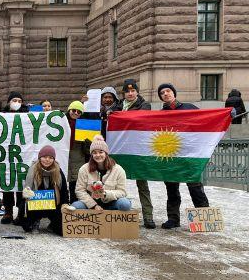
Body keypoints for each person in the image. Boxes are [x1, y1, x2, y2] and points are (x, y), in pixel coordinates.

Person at [157, 83, 209, 229]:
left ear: (174, 93)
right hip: (170, 156)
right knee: (172, 189)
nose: (165, 94)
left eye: (168, 91)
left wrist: (227, 114)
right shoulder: (159, 114)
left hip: (188, 156)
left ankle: (204, 218)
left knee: (195, 187)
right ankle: (173, 219)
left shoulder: (189, 108)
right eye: (162, 93)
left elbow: (206, 120)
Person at [112, 79, 156, 228]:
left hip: (138, 150)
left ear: (137, 92)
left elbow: (140, 117)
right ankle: (112, 212)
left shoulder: (144, 105)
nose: (130, 93)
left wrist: (118, 116)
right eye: (127, 91)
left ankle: (148, 217)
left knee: (142, 185)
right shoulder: (117, 106)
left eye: (133, 91)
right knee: (113, 182)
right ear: (123, 93)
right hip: (120, 149)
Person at [72, 135, 132, 211]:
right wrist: (94, 205)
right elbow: (80, 190)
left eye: (101, 152)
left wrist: (105, 194)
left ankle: (115, 221)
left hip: (112, 202)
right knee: (76, 205)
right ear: (91, 155)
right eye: (94, 153)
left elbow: (122, 192)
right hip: (91, 202)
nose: (98, 155)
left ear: (106, 153)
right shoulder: (84, 169)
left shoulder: (118, 170)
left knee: (124, 204)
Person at [22, 145, 69, 235]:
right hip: (35, 205)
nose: (47, 160)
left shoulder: (58, 170)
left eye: (50, 158)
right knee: (27, 227)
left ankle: (52, 225)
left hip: (54, 205)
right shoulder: (33, 170)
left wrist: (64, 203)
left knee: (62, 231)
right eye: (44, 157)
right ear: (40, 158)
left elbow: (63, 190)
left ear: (53, 159)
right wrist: (27, 193)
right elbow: (27, 188)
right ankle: (35, 221)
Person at [0, 91, 29, 225]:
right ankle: (8, 212)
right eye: (14, 100)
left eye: (19, 100)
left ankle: (20, 213)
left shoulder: (28, 116)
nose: (17, 103)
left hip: (22, 154)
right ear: (9, 102)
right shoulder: (2, 115)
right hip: (6, 154)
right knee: (7, 182)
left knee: (20, 183)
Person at [66, 100, 91, 203]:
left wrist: (88, 142)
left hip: (77, 159)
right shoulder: (61, 122)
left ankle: (74, 207)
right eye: (74, 110)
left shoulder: (83, 126)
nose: (76, 113)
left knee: (75, 186)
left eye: (79, 112)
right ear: (69, 110)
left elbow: (87, 151)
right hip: (64, 157)